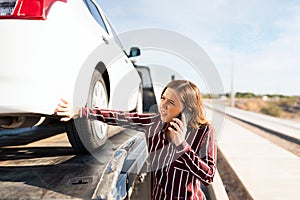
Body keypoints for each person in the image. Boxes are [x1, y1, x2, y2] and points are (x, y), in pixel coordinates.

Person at [55, 80, 217, 200]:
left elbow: (208, 176)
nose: (163, 105)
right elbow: (119, 117)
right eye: (163, 98)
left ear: (187, 109)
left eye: (171, 102)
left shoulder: (203, 132)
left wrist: (182, 146)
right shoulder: (154, 123)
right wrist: (80, 111)